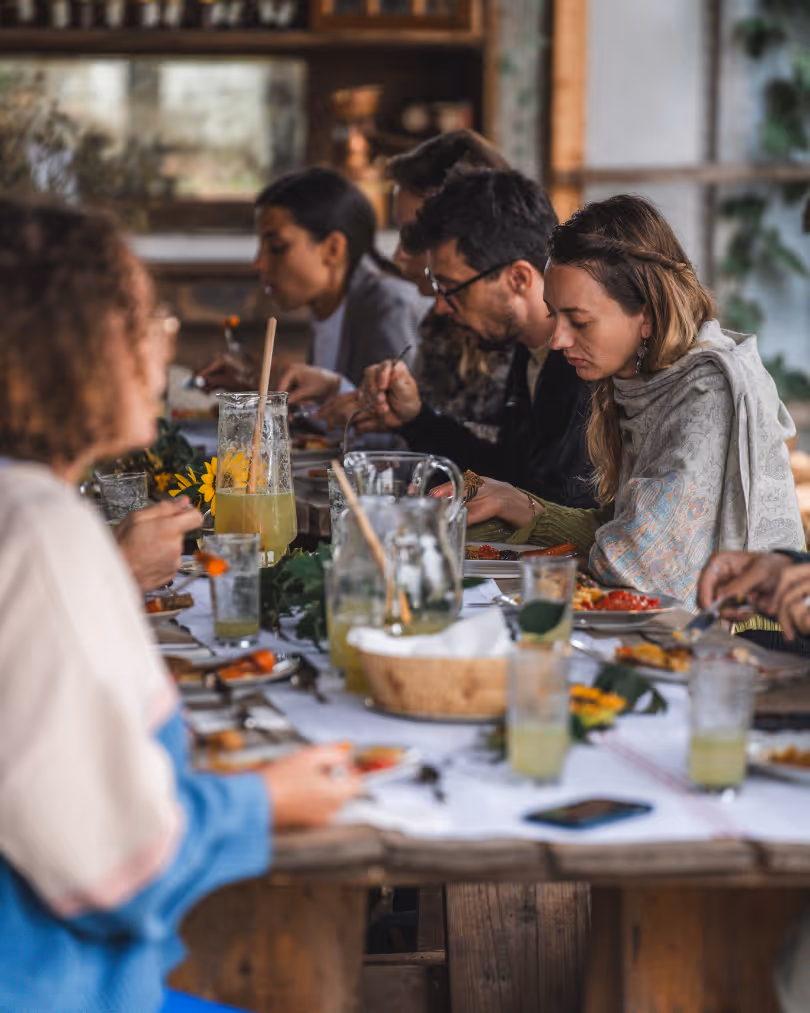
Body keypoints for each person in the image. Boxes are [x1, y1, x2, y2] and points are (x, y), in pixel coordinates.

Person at [0, 197, 361, 1013]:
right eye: (147, 320)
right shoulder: (38, 528)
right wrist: (268, 801)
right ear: (75, 348)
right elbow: (111, 865)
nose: (165, 340)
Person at [441, 193, 802, 608]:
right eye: (553, 316)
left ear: (646, 315)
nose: (558, 340)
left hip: (748, 641)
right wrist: (520, 504)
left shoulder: (707, 392)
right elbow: (617, 529)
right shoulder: (633, 380)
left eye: (579, 320)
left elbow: (635, 564)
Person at [361, 167, 597, 509]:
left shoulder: (585, 364)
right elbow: (505, 473)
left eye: (451, 288)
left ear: (517, 279)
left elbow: (548, 502)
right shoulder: (528, 350)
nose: (440, 307)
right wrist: (415, 419)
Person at [200, 167, 428, 398]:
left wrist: (330, 390)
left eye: (277, 248)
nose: (259, 263)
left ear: (333, 249)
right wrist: (257, 388)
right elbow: (327, 415)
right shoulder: (328, 307)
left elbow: (393, 423)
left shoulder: (390, 306)